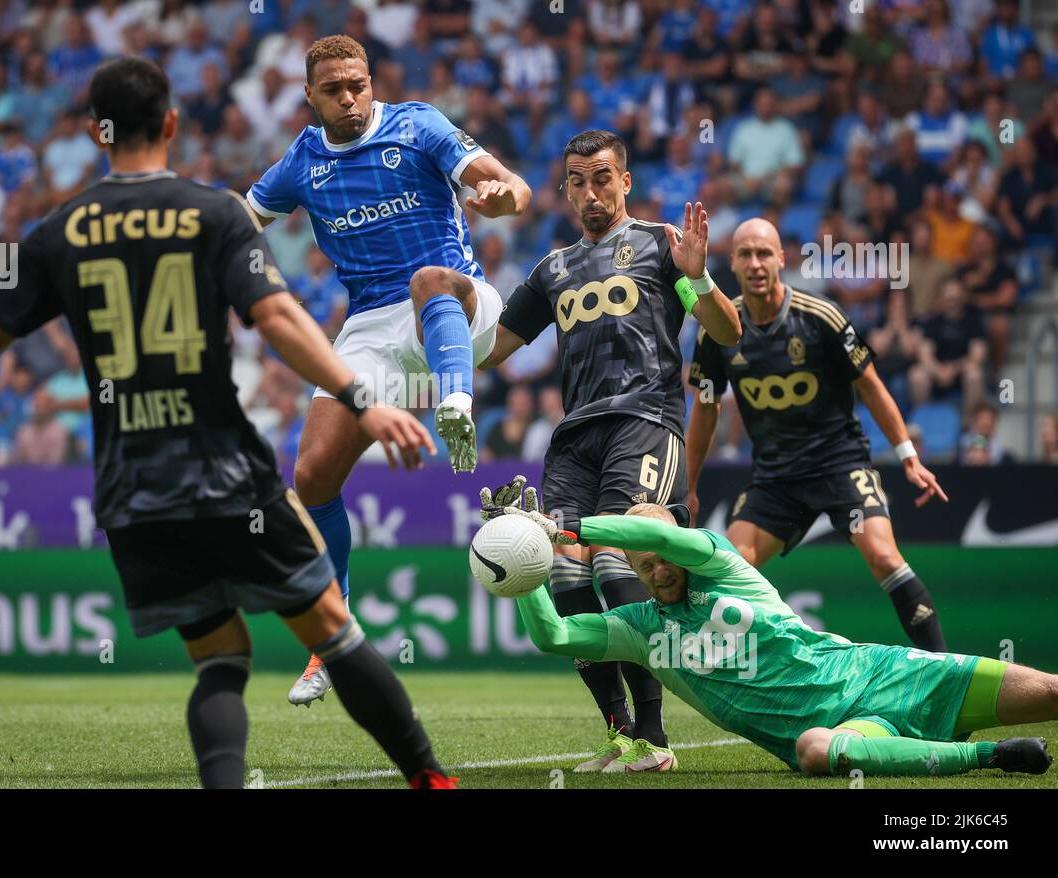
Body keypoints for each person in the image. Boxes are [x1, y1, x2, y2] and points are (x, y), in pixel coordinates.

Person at [0, 57, 454, 789]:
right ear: (169, 123)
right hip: (224, 469)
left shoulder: (59, 232)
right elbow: (279, 317)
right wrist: (362, 398)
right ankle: (430, 778)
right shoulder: (211, 212)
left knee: (220, 661)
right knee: (332, 631)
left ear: (98, 133)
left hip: (132, 490)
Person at [244, 34, 531, 705]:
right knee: (311, 477)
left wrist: (501, 197)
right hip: (372, 324)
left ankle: (455, 406)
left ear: (371, 83)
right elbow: (241, 219)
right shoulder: (302, 161)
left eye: (359, 84)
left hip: (456, 300)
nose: (349, 98)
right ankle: (331, 634)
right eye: (334, 90)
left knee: (432, 277)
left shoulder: (419, 124)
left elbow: (509, 184)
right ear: (309, 97)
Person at [477, 130, 741, 773]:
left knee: (613, 560)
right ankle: (621, 729)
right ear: (564, 188)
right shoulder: (552, 270)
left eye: (602, 178)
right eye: (577, 181)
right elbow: (491, 350)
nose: (590, 192)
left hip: (645, 420)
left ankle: (654, 738)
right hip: (576, 435)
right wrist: (427, 334)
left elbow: (726, 329)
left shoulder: (660, 247)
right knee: (560, 565)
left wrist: (698, 276)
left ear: (625, 181)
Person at [498, 498, 1054, 779]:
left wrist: (570, 528)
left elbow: (653, 534)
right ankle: (990, 755)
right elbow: (555, 635)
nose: (660, 570)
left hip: (885, 674)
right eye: (646, 566)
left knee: (1051, 692)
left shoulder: (722, 564)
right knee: (814, 750)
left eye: (667, 556)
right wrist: (521, 563)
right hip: (845, 731)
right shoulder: (641, 631)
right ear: (634, 570)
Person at [687, 218, 950, 654]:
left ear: (781, 259)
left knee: (885, 557)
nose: (755, 263)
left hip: (839, 464)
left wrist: (907, 455)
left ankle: (947, 673)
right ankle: (752, 681)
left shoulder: (819, 316)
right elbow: (707, 407)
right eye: (746, 254)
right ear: (730, 262)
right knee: (729, 569)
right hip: (775, 479)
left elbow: (871, 385)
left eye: (764, 253)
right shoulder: (717, 330)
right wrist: (690, 486)